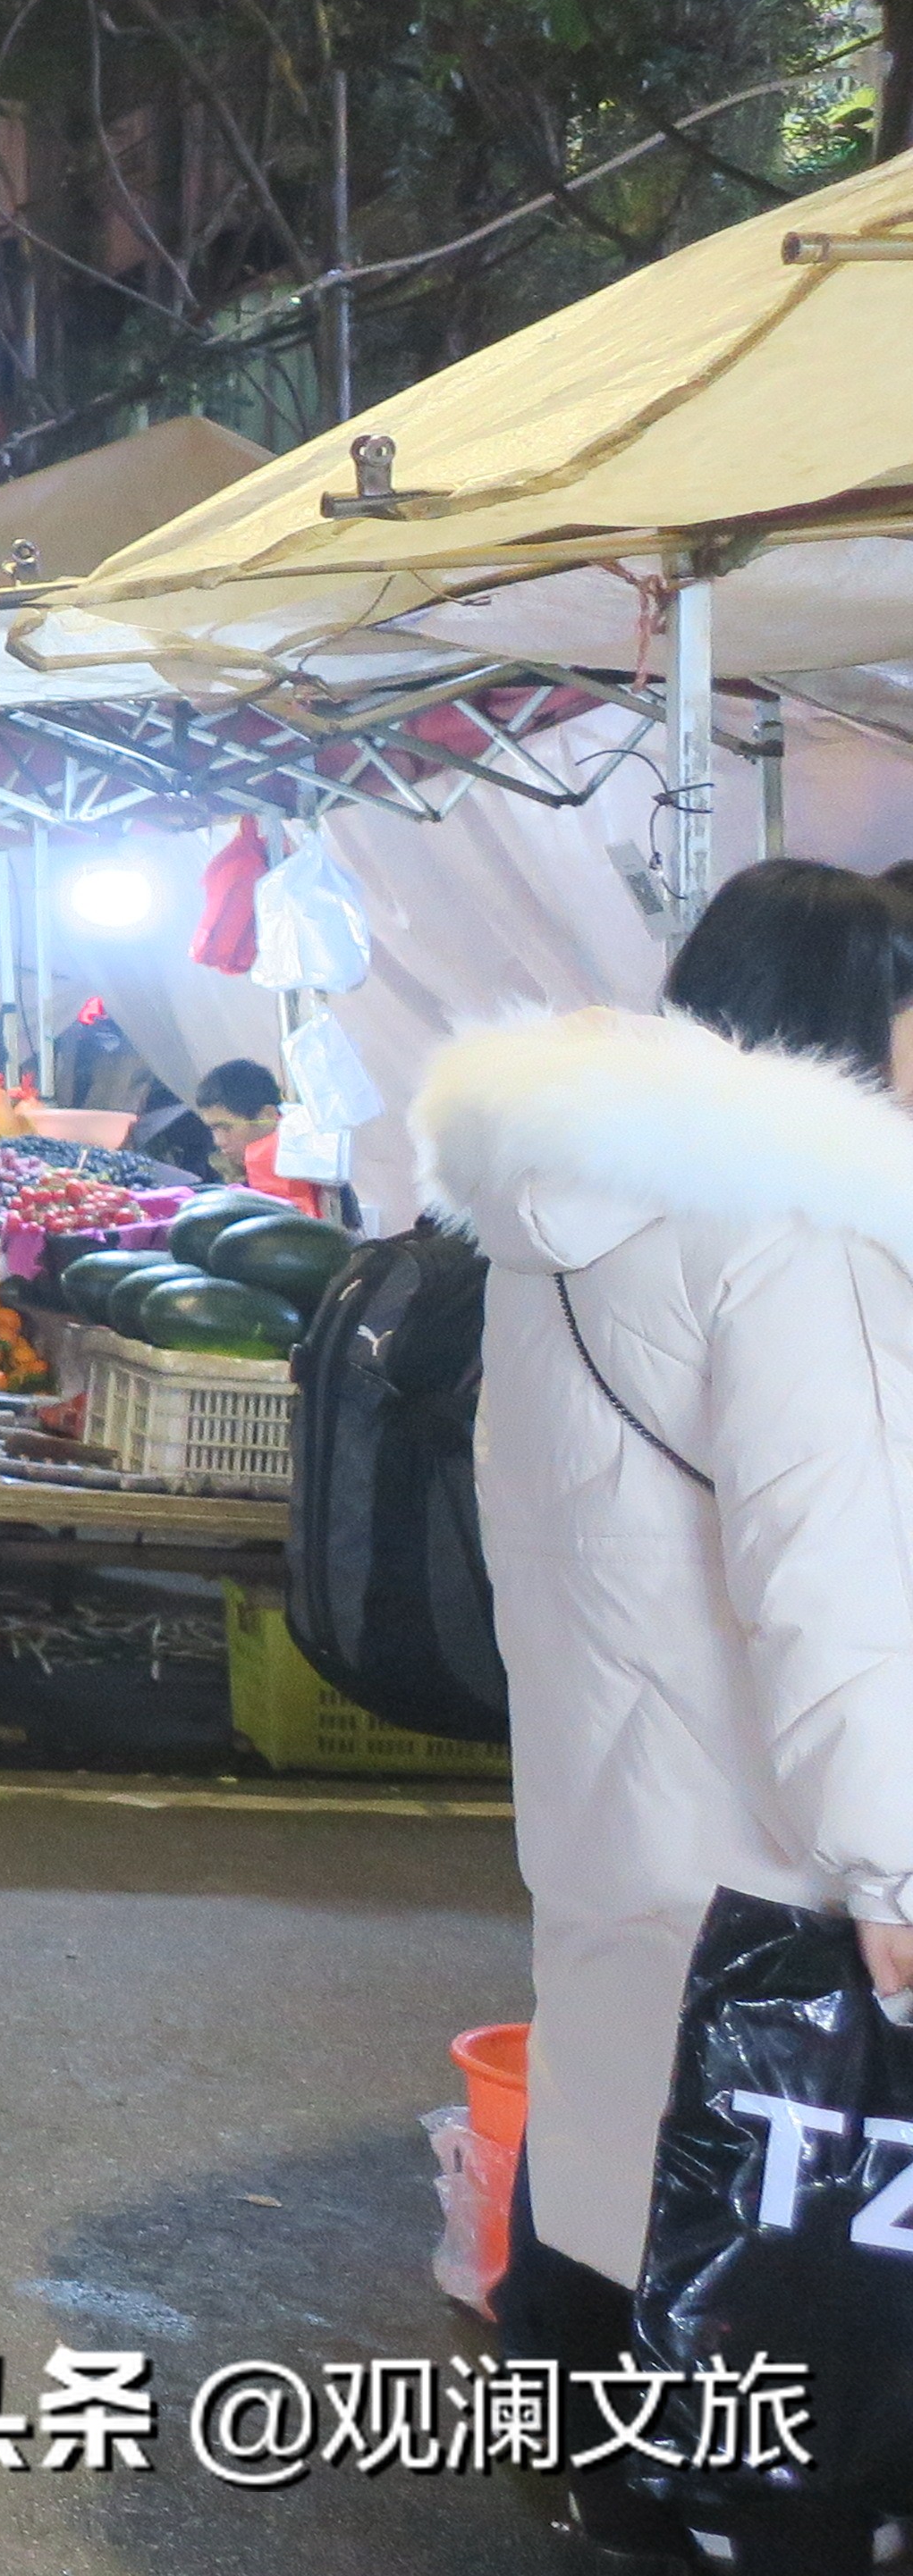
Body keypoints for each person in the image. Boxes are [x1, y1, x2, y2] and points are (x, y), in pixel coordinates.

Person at [419, 859, 913, 2569]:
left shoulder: (558, 1222)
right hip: (761, 1817)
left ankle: (587, 2468)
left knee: (616, 2124)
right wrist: (893, 1860)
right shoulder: (800, 1235)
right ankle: (737, 2508)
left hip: (606, 1781)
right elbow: (829, 1576)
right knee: (767, 2173)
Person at [124, 1056, 283, 1183]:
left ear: (266, 1116)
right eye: (213, 1129)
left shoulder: (303, 1172)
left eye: (226, 1128)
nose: (219, 1141)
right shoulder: (233, 1179)